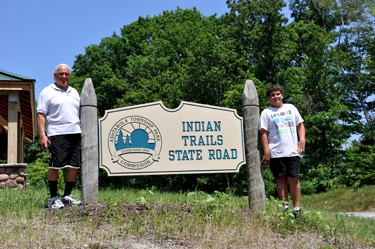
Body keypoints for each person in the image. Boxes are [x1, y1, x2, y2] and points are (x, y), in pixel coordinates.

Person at [37, 64, 82, 209]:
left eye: (67, 74)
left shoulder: (74, 92)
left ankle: (67, 196)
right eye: (61, 74)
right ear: (55, 75)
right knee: (55, 165)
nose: (64, 76)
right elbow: (41, 114)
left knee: (73, 165)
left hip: (75, 132)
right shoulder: (47, 91)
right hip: (56, 133)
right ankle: (53, 198)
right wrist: (43, 135)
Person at [259, 84, 305, 218]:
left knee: (294, 178)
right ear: (269, 98)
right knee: (280, 179)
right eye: (272, 95)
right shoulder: (266, 112)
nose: (276, 97)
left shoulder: (291, 108)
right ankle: (285, 207)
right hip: (276, 152)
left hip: (292, 150)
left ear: (282, 95)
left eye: (278, 94)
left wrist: (302, 141)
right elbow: (263, 133)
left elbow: (300, 125)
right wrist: (266, 151)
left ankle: (297, 209)